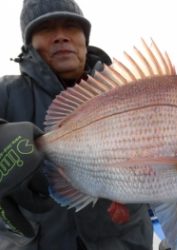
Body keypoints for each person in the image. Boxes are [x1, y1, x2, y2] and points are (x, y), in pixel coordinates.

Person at [0, 0, 153, 249]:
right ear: (29, 44)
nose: (61, 36)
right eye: (47, 28)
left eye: (71, 26)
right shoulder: (6, 92)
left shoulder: (128, 92)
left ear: (85, 37)